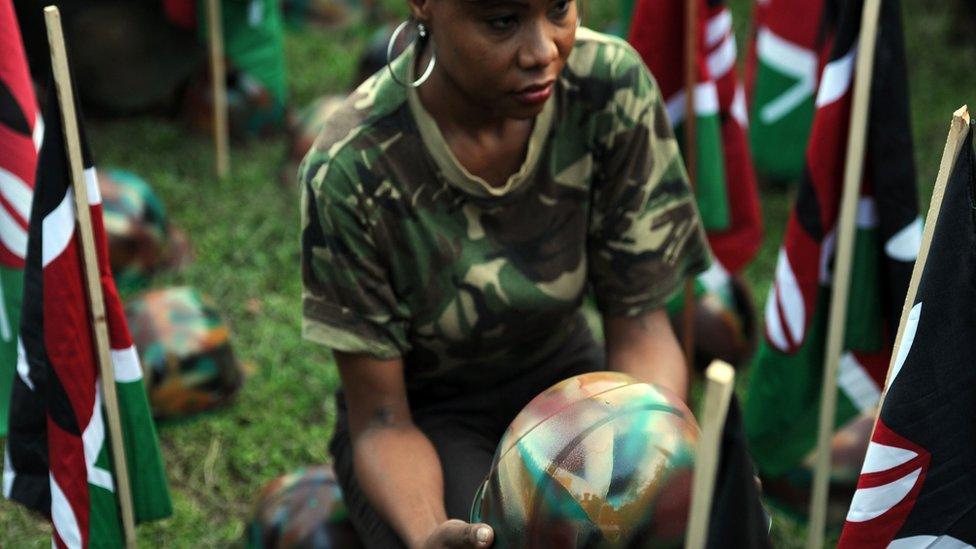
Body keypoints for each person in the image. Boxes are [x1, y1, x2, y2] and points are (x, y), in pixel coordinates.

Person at [299, 0, 711, 546]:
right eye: (501, 22)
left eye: (561, 9)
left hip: (566, 377)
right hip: (431, 414)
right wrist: (429, 534)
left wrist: (653, 460)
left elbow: (642, 328)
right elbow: (381, 422)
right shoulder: (351, 167)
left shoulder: (609, 85)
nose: (544, 51)